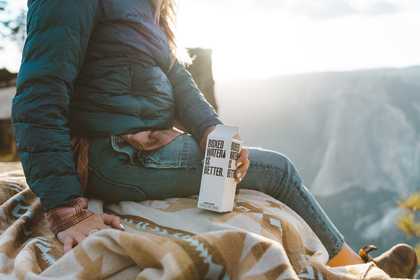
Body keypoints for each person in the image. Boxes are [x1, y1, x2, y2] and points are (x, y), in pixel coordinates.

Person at [11, 0, 417, 278]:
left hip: (144, 143)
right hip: (114, 154)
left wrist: (210, 130)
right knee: (278, 171)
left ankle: (352, 264)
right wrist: (68, 211)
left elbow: (177, 77)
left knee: (261, 170)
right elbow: (39, 95)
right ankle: (363, 271)